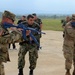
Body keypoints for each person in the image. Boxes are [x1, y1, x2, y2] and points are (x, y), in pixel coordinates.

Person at [0, 10, 30, 75]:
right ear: (6, 19)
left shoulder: (4, 28)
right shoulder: (1, 29)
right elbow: (7, 39)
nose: (13, 23)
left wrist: (24, 35)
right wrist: (20, 33)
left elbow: (13, 39)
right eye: (12, 21)